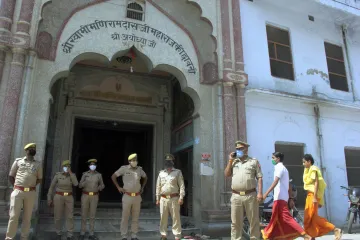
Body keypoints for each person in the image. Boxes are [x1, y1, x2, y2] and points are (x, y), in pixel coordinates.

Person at [261, 152, 311, 240]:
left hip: (279, 198)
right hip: (282, 198)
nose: (272, 160)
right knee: (277, 220)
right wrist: (290, 198)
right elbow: (288, 185)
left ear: (278, 159)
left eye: (273, 158)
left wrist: (265, 194)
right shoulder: (284, 169)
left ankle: (304, 235)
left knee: (286, 217)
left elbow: (276, 182)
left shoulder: (279, 168)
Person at [224, 140, 262, 240]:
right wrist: (230, 160)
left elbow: (259, 177)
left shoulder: (253, 161)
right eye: (237, 149)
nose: (238, 150)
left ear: (246, 149)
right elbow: (227, 174)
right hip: (236, 196)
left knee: (253, 221)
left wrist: (260, 193)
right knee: (235, 222)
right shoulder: (234, 162)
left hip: (250, 195)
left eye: (240, 149)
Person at [6, 143, 43, 240]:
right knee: (14, 216)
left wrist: (32, 186)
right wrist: (15, 187)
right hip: (18, 191)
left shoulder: (38, 164)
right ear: (26, 150)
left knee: (27, 217)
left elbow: (39, 179)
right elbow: (11, 176)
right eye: (30, 148)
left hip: (30, 193)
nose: (32, 149)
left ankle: (24, 237)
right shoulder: (18, 161)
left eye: (34, 148)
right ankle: (9, 238)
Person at [302, 154, 342, 240]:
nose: (303, 164)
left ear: (309, 161)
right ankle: (312, 236)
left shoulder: (313, 169)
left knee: (312, 217)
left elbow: (316, 183)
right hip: (310, 195)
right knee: (310, 217)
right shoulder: (307, 170)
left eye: (304, 162)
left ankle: (335, 229)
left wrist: (315, 197)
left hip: (313, 195)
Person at [111, 153, 148, 240]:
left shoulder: (139, 170)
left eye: (136, 160)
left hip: (137, 197)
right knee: (125, 217)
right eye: (133, 160)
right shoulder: (124, 168)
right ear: (129, 161)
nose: (135, 162)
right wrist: (118, 187)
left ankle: (134, 235)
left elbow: (145, 177)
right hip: (127, 196)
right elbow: (113, 176)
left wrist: (142, 187)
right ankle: (124, 235)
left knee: (135, 216)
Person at [156, 153, 185, 240]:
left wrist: (181, 197)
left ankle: (177, 236)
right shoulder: (161, 173)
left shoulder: (177, 172)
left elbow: (182, 185)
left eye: (170, 161)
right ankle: (163, 235)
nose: (168, 163)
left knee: (176, 218)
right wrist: (157, 198)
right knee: (163, 218)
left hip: (174, 198)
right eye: (167, 161)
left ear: (172, 162)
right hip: (163, 199)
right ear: (165, 162)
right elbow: (158, 186)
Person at [47, 160, 79, 240]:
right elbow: (51, 187)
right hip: (58, 196)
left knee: (70, 216)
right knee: (57, 216)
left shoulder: (72, 175)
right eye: (65, 166)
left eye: (68, 166)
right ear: (62, 167)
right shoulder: (58, 175)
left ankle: (70, 234)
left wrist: (71, 173)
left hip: (69, 197)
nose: (66, 168)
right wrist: (49, 198)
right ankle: (58, 233)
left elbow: (76, 184)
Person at [78, 159, 105, 240]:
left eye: (94, 165)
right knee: (84, 214)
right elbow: (79, 185)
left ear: (95, 166)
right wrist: (84, 183)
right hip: (85, 195)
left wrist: (100, 187)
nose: (92, 166)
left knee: (92, 215)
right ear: (89, 166)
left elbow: (102, 184)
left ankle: (91, 233)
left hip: (94, 196)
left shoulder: (99, 175)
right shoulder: (85, 174)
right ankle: (82, 232)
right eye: (91, 164)